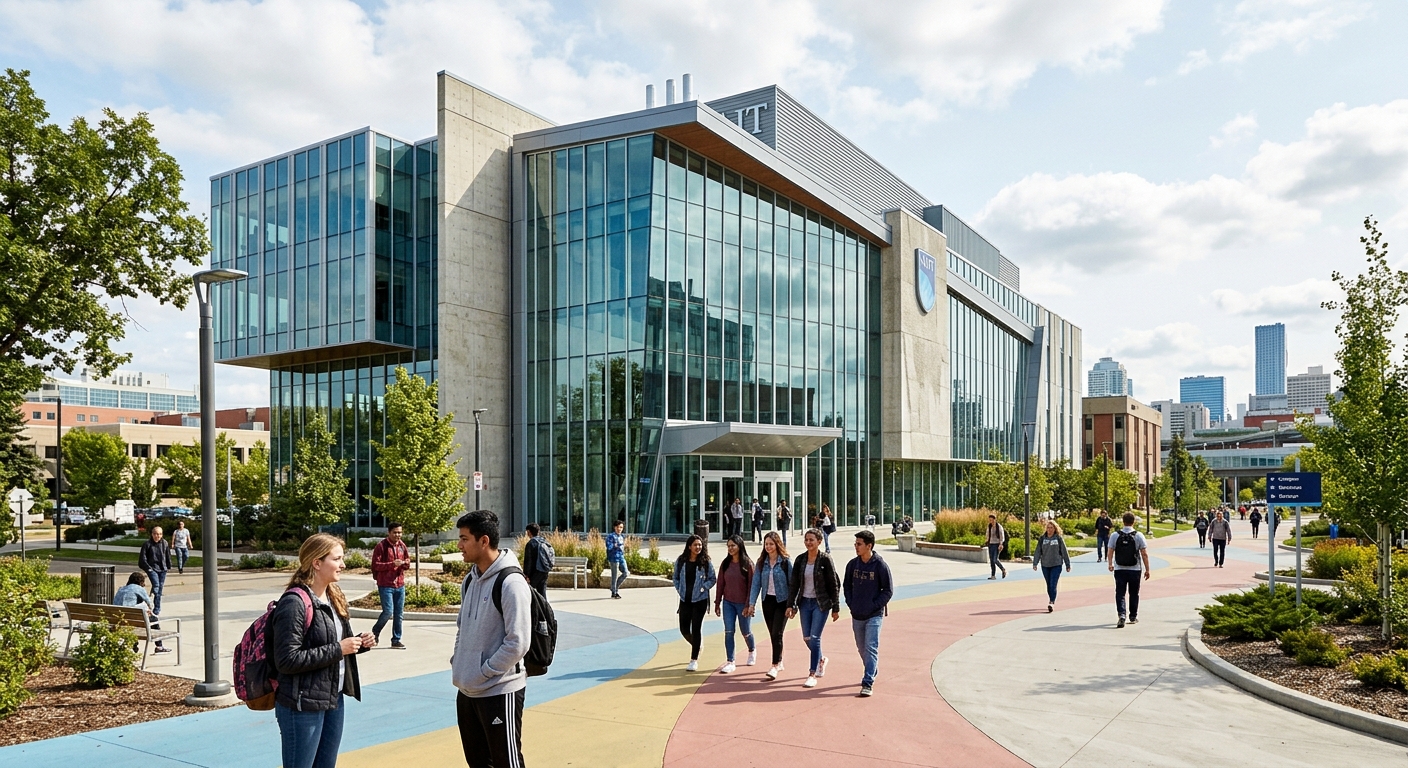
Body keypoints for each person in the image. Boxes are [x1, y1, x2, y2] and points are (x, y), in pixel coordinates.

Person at [269, 533, 375, 768]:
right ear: (317, 563)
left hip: (332, 698)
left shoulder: (333, 596)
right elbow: (286, 660)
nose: (343, 564)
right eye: (337, 559)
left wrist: (358, 643)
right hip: (302, 704)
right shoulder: (294, 603)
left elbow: (335, 644)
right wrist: (339, 648)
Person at [453, 510, 532, 768]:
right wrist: (460, 664)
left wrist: (484, 671)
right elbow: (462, 628)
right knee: (478, 763)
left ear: (484, 541)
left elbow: (518, 642)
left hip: (499, 690)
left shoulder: (511, 583)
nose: (459, 545)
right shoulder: (469, 580)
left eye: (464, 539)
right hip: (467, 691)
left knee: (506, 763)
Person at [786, 528, 840, 689]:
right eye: (806, 540)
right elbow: (794, 584)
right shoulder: (800, 559)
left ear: (819, 542)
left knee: (815, 638)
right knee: (807, 638)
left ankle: (812, 673)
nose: (808, 542)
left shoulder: (825, 559)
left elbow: (833, 583)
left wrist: (836, 607)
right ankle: (821, 659)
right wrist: (790, 604)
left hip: (820, 603)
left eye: (811, 540)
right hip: (804, 603)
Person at [843, 530, 892, 697]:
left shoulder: (880, 565)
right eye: (855, 544)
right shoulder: (852, 565)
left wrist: (874, 605)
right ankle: (872, 668)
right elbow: (847, 586)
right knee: (861, 648)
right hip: (857, 613)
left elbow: (888, 590)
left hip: (874, 615)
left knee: (871, 647)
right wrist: (851, 603)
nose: (856, 547)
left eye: (859, 544)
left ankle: (868, 682)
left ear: (869, 546)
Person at [747, 531, 791, 680]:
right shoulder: (761, 563)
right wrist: (751, 603)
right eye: (766, 544)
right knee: (773, 633)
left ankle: (774, 665)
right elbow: (756, 584)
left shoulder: (785, 562)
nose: (768, 546)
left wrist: (792, 605)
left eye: (771, 544)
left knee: (777, 633)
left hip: (782, 601)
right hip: (767, 601)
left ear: (777, 544)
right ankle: (780, 659)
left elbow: (793, 583)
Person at [673, 534, 716, 671]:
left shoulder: (705, 562)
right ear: (689, 546)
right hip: (685, 599)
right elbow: (675, 577)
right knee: (684, 629)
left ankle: (694, 659)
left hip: (700, 600)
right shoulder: (681, 561)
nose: (698, 547)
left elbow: (712, 578)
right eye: (695, 545)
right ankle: (697, 645)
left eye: (700, 545)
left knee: (696, 628)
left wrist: (703, 587)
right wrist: (680, 589)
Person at [714, 535, 756, 673]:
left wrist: (749, 604)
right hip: (728, 603)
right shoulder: (725, 564)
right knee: (729, 631)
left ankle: (752, 649)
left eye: (733, 545)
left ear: (740, 546)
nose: (730, 548)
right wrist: (717, 602)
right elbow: (720, 583)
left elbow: (752, 586)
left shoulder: (748, 564)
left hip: (743, 604)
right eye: (728, 546)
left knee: (745, 631)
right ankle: (730, 661)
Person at [370, 522, 411, 649]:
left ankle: (396, 640)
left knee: (399, 614)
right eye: (395, 532)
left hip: (400, 584)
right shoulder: (381, 546)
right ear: (389, 532)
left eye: (400, 532)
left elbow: (408, 562)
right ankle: (375, 632)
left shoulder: (402, 546)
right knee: (388, 611)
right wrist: (392, 564)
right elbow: (375, 565)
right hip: (385, 584)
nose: (398, 535)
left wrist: (405, 563)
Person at [1108, 512, 1151, 628]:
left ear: (1123, 521)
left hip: (1119, 568)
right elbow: (1144, 553)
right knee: (1134, 593)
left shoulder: (1115, 535)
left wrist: (1110, 564)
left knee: (1120, 593)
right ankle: (1133, 616)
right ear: (1134, 522)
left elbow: (1110, 550)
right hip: (1135, 569)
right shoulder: (1139, 536)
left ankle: (1122, 615)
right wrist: (1147, 569)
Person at [113, 571, 169, 653]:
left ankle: (134, 644)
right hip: (133, 619)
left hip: (119, 620)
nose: (144, 584)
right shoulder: (139, 588)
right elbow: (150, 604)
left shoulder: (121, 589)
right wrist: (147, 609)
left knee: (133, 620)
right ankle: (159, 646)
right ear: (140, 582)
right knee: (154, 619)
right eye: (143, 582)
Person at [1032, 520, 1071, 612]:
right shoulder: (1042, 539)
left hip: (1056, 564)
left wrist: (1067, 564)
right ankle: (1051, 598)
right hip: (1045, 565)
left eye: (1051, 528)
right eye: (1048, 528)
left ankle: (1051, 602)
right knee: (1049, 584)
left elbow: (1064, 551)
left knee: (1053, 584)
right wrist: (1035, 563)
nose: (1049, 529)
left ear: (1055, 529)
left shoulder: (1058, 538)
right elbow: (1038, 551)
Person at [137, 525, 171, 615]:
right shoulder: (147, 544)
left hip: (162, 569)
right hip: (152, 568)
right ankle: (151, 598)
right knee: (156, 585)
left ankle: (157, 608)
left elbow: (167, 555)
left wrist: (168, 566)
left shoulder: (165, 543)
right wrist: (149, 569)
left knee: (159, 588)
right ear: (152, 534)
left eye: (160, 534)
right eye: (156, 534)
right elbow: (142, 559)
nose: (157, 536)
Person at [522, 523, 551, 597]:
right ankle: (544, 605)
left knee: (528, 592)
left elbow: (528, 561)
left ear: (529, 532)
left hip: (534, 572)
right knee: (542, 593)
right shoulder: (544, 541)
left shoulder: (530, 544)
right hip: (544, 570)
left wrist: (526, 575)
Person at [606, 520, 629, 599]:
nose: (619, 529)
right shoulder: (611, 536)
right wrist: (614, 545)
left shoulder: (621, 537)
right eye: (618, 527)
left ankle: (614, 587)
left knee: (626, 573)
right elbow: (608, 547)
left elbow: (622, 547)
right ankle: (614, 592)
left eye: (621, 527)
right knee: (614, 576)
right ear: (615, 527)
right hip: (614, 558)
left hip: (621, 557)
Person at [984, 514, 1007, 580]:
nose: (990, 521)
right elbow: (987, 535)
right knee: (991, 561)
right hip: (990, 544)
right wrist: (986, 542)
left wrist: (1001, 544)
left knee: (995, 559)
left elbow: (1002, 536)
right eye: (989, 520)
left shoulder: (999, 526)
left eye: (991, 520)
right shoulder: (989, 526)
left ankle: (1003, 569)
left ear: (994, 519)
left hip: (997, 544)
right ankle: (993, 575)